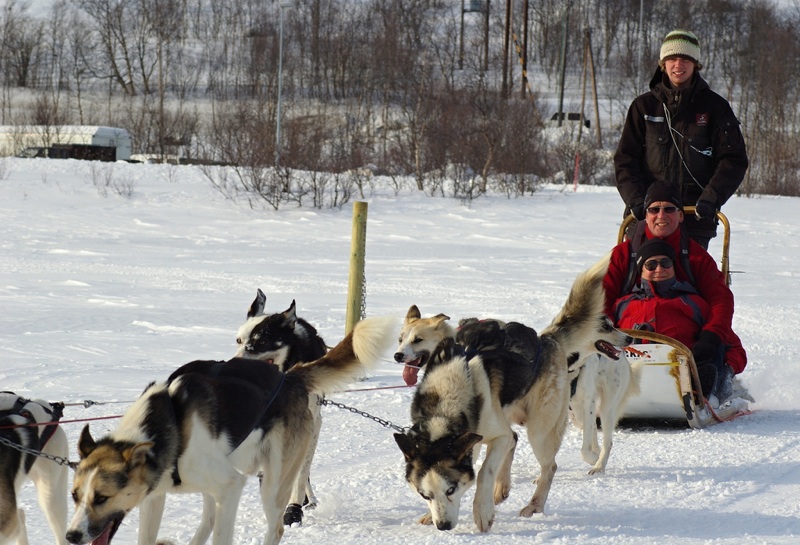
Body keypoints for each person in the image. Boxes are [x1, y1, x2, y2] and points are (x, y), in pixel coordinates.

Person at [614, 29, 748, 249]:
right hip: (648, 217)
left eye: (685, 59)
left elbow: (733, 160)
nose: (678, 65)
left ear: (695, 64)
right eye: (672, 59)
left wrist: (711, 199)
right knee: (640, 277)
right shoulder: (643, 107)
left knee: (690, 279)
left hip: (694, 217)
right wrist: (636, 200)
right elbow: (625, 160)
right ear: (663, 64)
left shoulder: (716, 108)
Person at [613, 238, 746, 404]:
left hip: (681, 377)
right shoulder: (623, 306)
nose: (659, 269)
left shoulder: (693, 304)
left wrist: (728, 370)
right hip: (632, 374)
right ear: (641, 271)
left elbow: (733, 347)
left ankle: (705, 393)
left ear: (674, 267)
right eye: (651, 265)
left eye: (666, 263)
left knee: (708, 363)